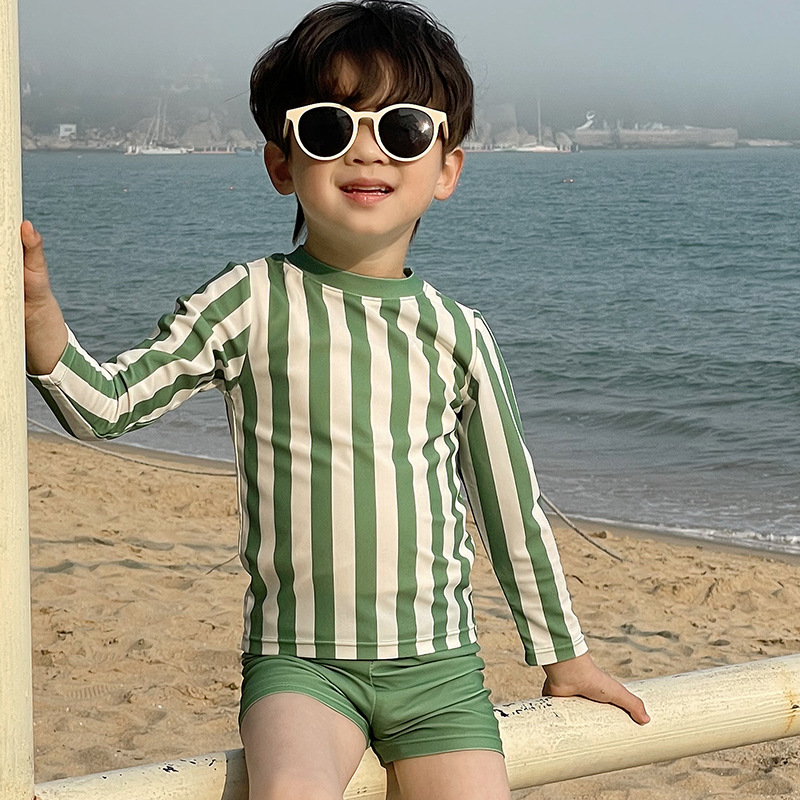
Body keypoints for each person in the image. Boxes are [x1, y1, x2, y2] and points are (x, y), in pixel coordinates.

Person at [22, 2, 649, 798]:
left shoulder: (460, 334)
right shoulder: (249, 301)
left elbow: (510, 511)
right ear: (282, 164)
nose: (366, 148)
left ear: (447, 168)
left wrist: (566, 658)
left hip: (442, 672)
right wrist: (36, 314)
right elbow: (103, 406)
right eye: (328, 127)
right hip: (301, 668)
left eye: (404, 130)